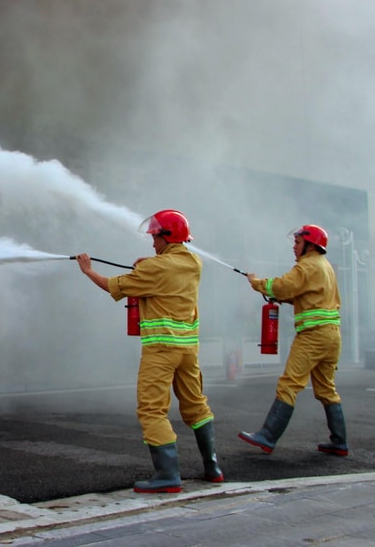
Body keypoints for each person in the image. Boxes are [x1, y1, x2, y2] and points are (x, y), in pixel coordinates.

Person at [74, 209, 223, 493]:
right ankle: (212, 467)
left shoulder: (154, 269)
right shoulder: (193, 261)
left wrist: (88, 270)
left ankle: (168, 475)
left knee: (151, 409)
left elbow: (112, 286)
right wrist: (150, 262)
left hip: (161, 349)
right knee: (195, 405)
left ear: (165, 237)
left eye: (154, 237)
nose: (152, 242)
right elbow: (165, 267)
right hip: (188, 349)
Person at [238, 224, 346, 456]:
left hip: (313, 336)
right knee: (327, 389)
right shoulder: (324, 266)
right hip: (332, 335)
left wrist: (257, 283)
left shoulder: (307, 266)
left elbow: (281, 286)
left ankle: (267, 436)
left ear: (310, 244)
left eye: (297, 243)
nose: (294, 248)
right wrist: (283, 299)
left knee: (289, 384)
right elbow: (307, 297)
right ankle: (339, 442)